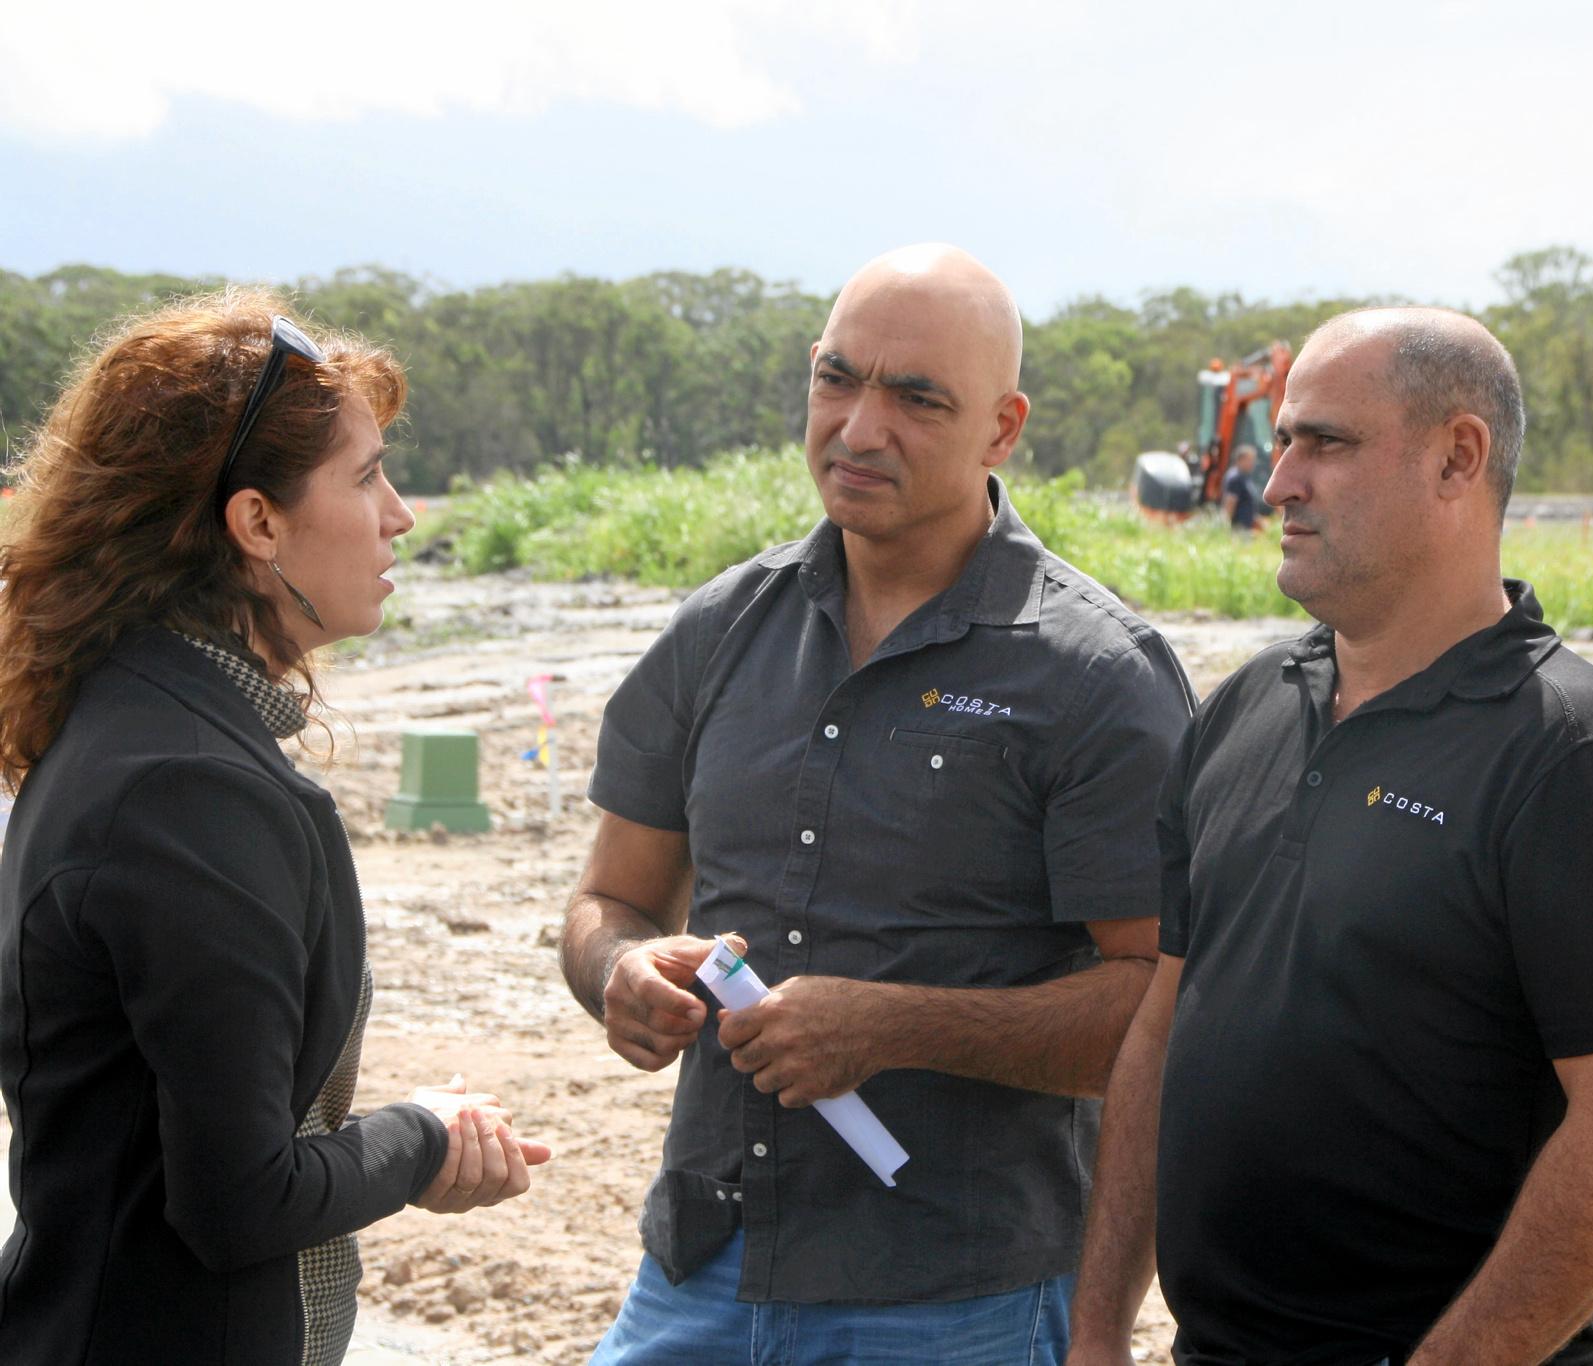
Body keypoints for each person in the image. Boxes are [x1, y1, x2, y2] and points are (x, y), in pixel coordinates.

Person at [1068, 306, 1593, 1366]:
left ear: (1455, 459)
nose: (1276, 479)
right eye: (1279, 440)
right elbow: (1160, 1030)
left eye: (1322, 443)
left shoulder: (1577, 758)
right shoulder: (1242, 709)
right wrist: (1096, 1332)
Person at [559, 243, 1194, 1365]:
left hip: (958, 1297)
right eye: (837, 378)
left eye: (915, 397)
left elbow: (1159, 1008)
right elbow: (610, 895)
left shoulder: (1094, 676)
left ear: (1002, 428)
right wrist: (616, 970)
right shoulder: (718, 631)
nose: (857, 427)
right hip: (704, 1266)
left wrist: (892, 1028)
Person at [0, 292, 550, 1366]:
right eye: (365, 476)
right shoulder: (192, 789)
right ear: (254, 523)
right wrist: (423, 1134)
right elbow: (241, 1199)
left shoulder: (125, 720)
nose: (401, 514)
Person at [1221, 444, 1261, 531]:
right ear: (1240, 460)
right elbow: (1230, 503)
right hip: (1238, 529)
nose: (1253, 463)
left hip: (1246, 527)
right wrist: (1225, 529)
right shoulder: (1235, 478)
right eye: (1250, 460)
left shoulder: (1244, 476)